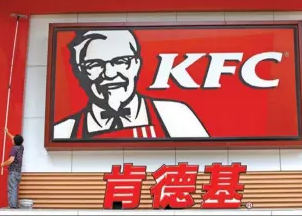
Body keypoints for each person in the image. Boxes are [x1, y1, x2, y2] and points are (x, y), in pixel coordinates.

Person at [53, 30, 209, 140]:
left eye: (120, 62)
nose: (109, 73)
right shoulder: (63, 132)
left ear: (136, 65)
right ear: (81, 71)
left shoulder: (175, 115)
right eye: (95, 64)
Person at [1, 128, 24, 209]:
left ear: (15, 141)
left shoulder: (14, 148)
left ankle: (12, 207)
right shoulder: (21, 147)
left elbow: (11, 160)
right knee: (14, 189)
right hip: (18, 173)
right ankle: (14, 206)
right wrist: (7, 132)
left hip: (13, 173)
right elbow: (14, 138)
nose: (12, 139)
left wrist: (3, 164)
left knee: (11, 189)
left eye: (13, 139)